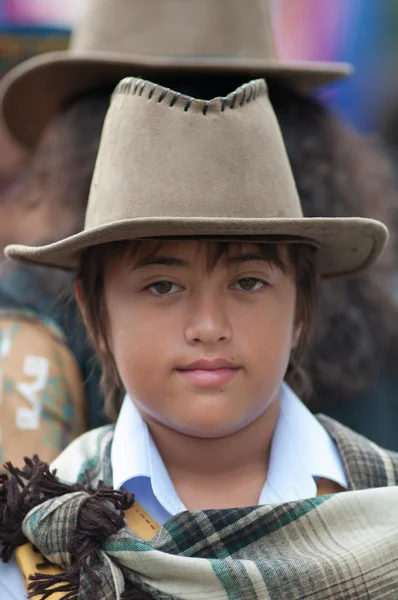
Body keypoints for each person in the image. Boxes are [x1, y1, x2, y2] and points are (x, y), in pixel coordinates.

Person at [1, 75, 398, 600]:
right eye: (162, 286)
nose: (209, 327)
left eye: (248, 282)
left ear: (302, 306)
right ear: (94, 314)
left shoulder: (383, 498)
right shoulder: (39, 534)